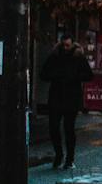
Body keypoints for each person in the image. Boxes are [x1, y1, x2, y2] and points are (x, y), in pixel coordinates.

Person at [40, 33, 93, 170]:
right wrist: (56, 76)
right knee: (54, 127)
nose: (65, 47)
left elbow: (88, 75)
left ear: (72, 44)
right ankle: (59, 155)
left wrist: (74, 77)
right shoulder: (55, 56)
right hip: (57, 96)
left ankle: (69, 158)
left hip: (71, 97)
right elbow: (43, 73)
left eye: (68, 45)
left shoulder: (78, 57)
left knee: (69, 128)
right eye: (63, 45)